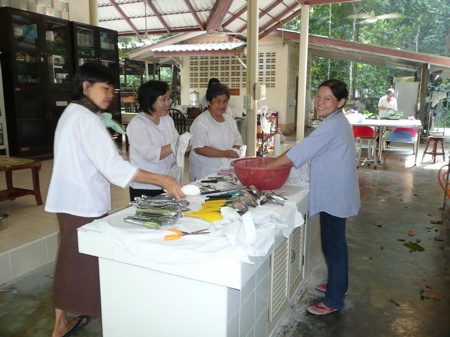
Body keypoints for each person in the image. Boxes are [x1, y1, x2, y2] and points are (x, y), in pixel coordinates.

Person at [45, 62, 185, 337]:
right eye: (105, 88)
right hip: (78, 201)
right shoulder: (84, 119)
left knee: (73, 259)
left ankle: (66, 318)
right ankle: (62, 323)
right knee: (76, 261)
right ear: (86, 86)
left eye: (113, 89)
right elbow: (113, 167)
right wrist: (162, 179)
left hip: (76, 198)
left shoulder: (76, 114)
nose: (110, 94)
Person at [265, 79, 360, 316]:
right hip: (336, 191)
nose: (320, 102)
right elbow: (305, 148)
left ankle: (334, 300)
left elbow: (300, 152)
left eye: (327, 98)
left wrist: (266, 169)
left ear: (341, 102)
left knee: (333, 246)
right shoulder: (336, 121)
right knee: (336, 244)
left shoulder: (332, 125)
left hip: (335, 195)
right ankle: (339, 286)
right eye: (318, 96)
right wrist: (274, 162)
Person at [126, 80, 180, 200]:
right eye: (163, 100)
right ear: (150, 101)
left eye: (168, 99)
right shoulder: (137, 124)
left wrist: (185, 145)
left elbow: (176, 143)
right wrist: (176, 145)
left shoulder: (167, 120)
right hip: (145, 186)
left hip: (167, 181)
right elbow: (149, 154)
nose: (168, 103)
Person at [189, 83, 244, 181]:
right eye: (218, 101)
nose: (222, 105)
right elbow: (199, 148)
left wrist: (234, 151)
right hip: (205, 174)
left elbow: (238, 141)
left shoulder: (229, 120)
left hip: (226, 172)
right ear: (209, 102)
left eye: (225, 101)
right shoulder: (201, 122)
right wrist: (226, 153)